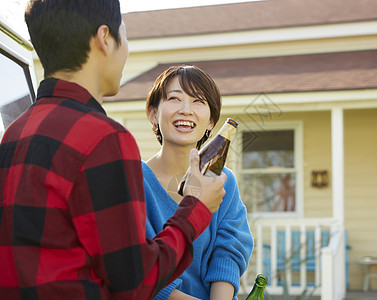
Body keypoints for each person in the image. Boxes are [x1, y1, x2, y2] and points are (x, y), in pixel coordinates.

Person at [0, 1, 226, 299]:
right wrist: (195, 209)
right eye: (125, 35)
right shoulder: (103, 138)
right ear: (105, 39)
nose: (127, 48)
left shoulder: (15, 132)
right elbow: (135, 281)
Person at [143, 65, 253, 300]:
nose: (186, 110)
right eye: (174, 98)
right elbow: (137, 266)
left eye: (198, 101)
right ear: (153, 113)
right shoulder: (132, 180)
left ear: (212, 121)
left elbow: (229, 252)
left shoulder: (225, 182)